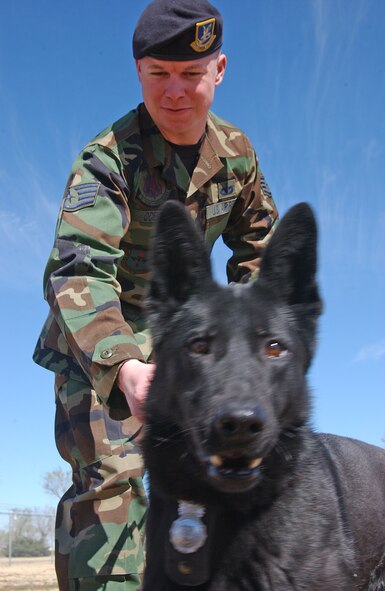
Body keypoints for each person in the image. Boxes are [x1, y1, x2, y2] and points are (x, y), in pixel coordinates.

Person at [33, 0, 279, 589]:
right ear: (138, 72)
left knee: (219, 475)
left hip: (184, 336)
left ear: (218, 70)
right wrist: (124, 367)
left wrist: (243, 343)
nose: (174, 92)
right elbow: (78, 272)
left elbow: (260, 253)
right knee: (112, 484)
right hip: (100, 342)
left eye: (190, 75)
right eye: (157, 74)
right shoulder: (107, 160)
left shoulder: (236, 154)